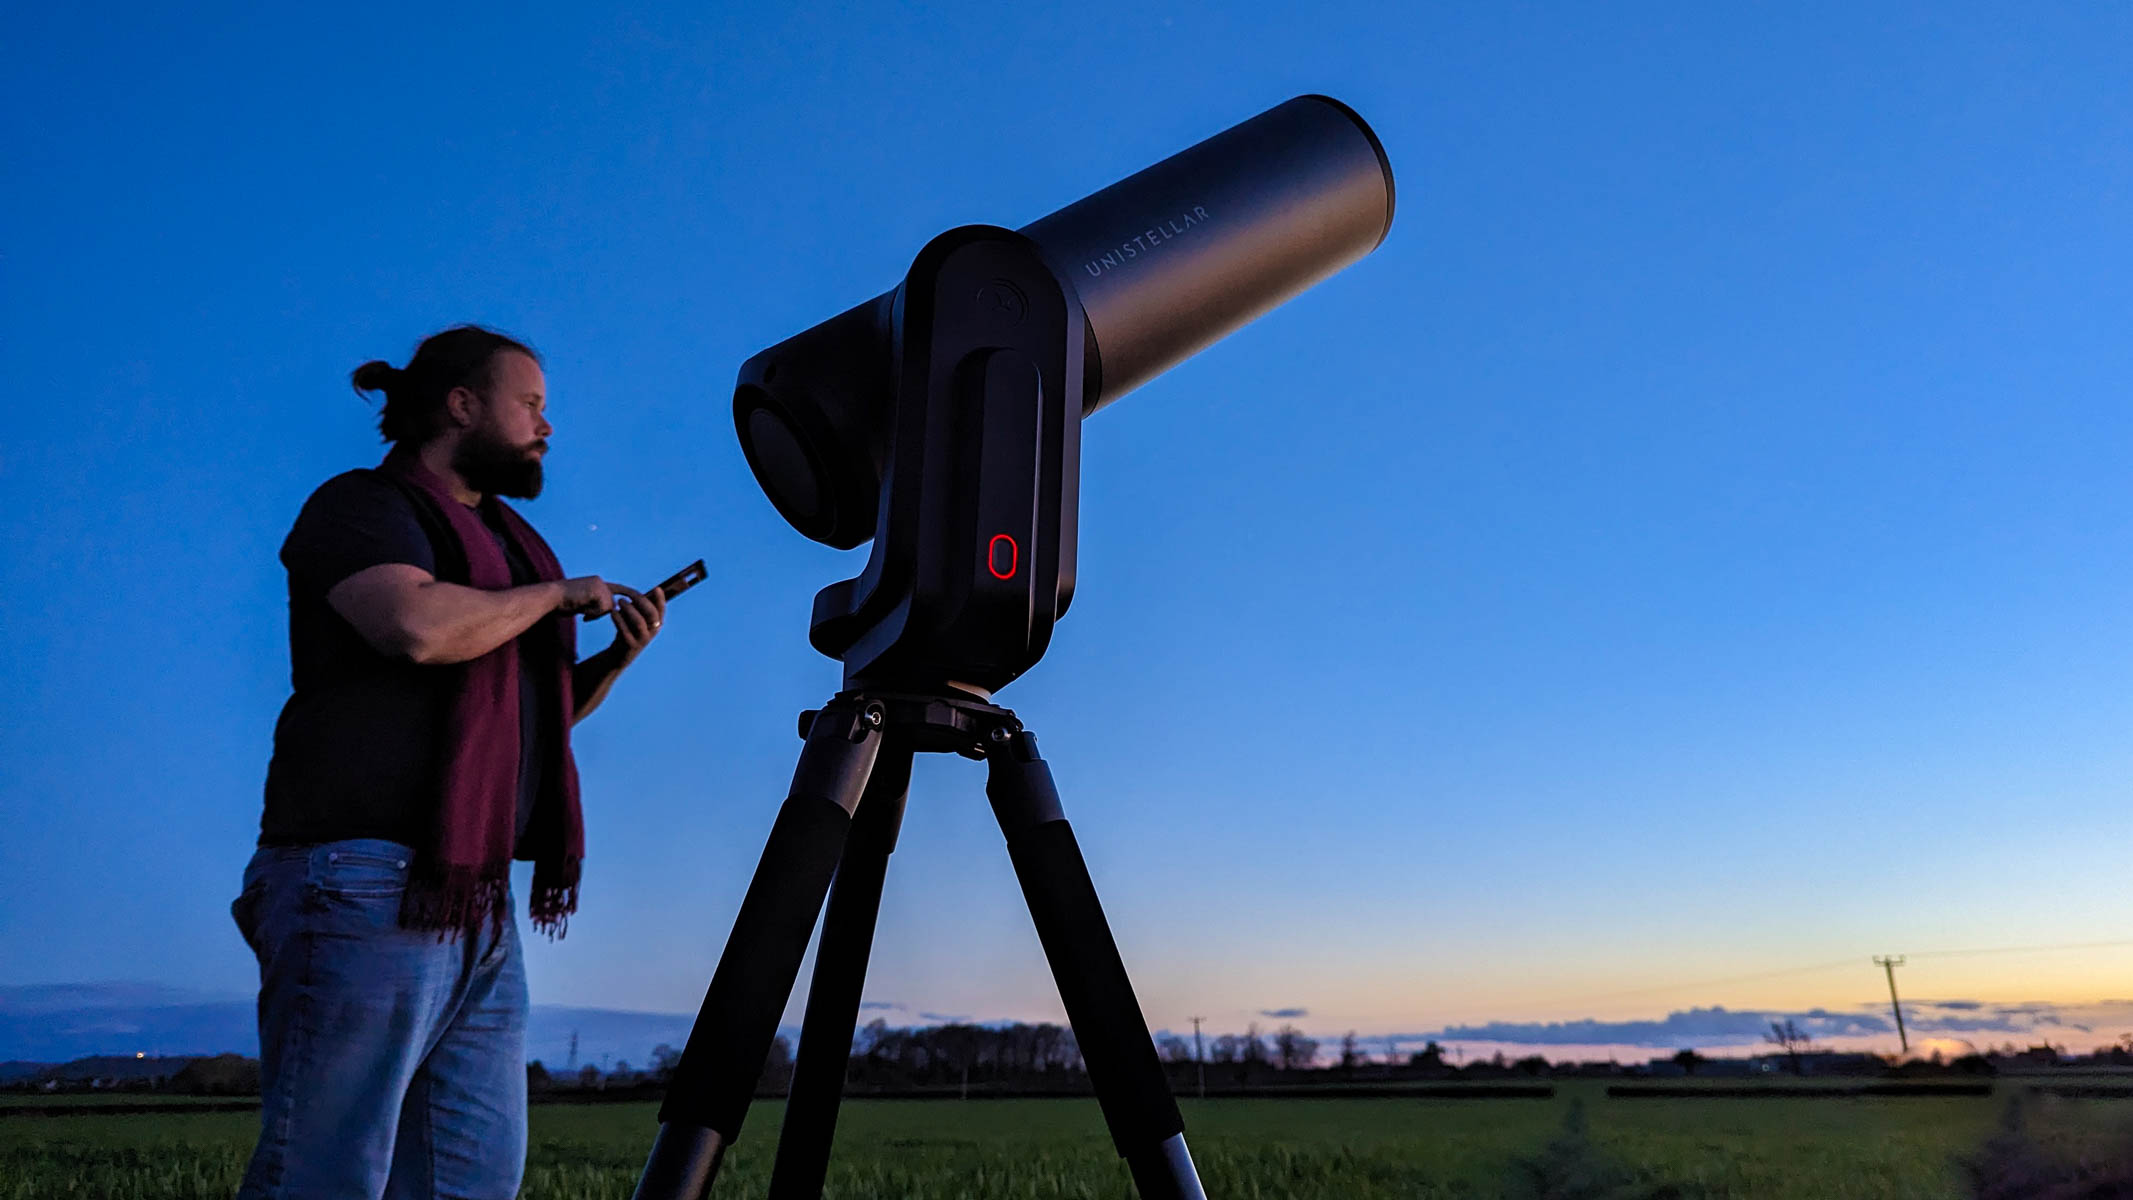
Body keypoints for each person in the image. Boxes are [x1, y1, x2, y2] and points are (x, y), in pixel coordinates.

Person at [232, 325, 668, 1198]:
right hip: (363, 879)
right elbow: (416, 629)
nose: (549, 426)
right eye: (532, 405)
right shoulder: (362, 507)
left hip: (470, 891)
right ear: (462, 405)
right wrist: (554, 595)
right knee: (324, 1174)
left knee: (468, 1179)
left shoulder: (510, 547)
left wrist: (612, 660)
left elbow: (534, 722)